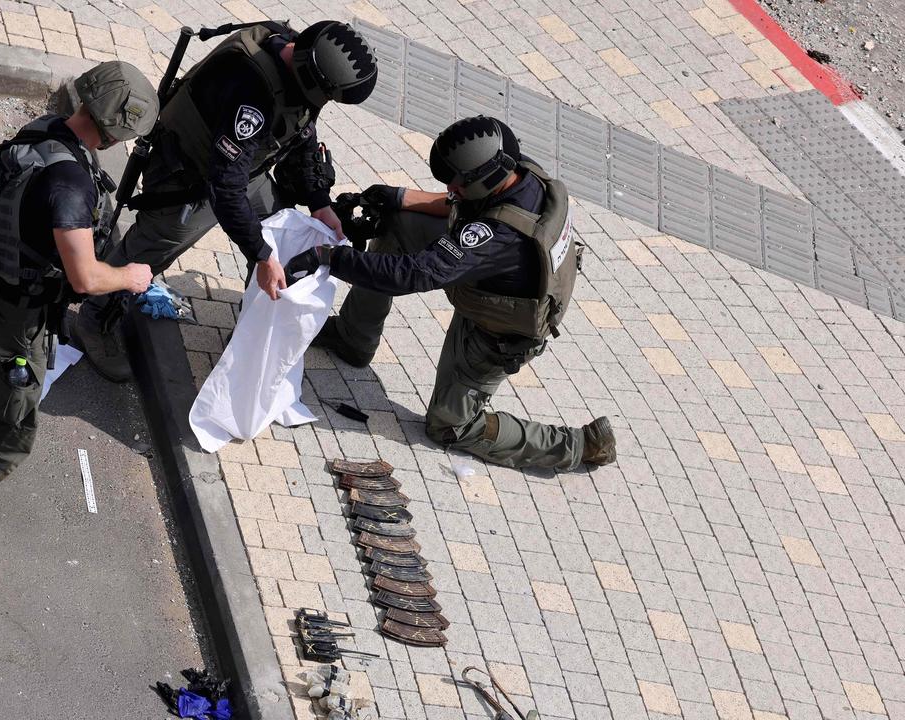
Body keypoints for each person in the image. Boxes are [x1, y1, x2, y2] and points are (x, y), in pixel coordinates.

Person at [0, 61, 159, 591]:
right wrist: (129, 276)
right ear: (116, 130)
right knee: (12, 430)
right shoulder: (70, 184)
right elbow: (84, 277)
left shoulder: (43, 131)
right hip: (19, 317)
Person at [286, 116, 617, 472]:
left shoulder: (497, 236)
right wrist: (399, 198)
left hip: (498, 331)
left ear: (484, 179)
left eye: (456, 185)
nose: (450, 191)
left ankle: (581, 446)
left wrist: (330, 258)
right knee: (397, 221)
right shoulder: (514, 169)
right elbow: (464, 206)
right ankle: (353, 338)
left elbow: (412, 274)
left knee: (448, 427)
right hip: (491, 277)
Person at [74, 20, 379, 382]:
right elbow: (225, 186)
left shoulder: (296, 57)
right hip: (187, 175)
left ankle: (254, 328)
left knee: (283, 234)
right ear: (311, 74)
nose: (326, 102)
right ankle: (93, 320)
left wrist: (319, 203)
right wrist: (260, 254)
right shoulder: (252, 89)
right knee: (151, 247)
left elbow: (302, 131)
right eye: (328, 95)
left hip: (241, 171)